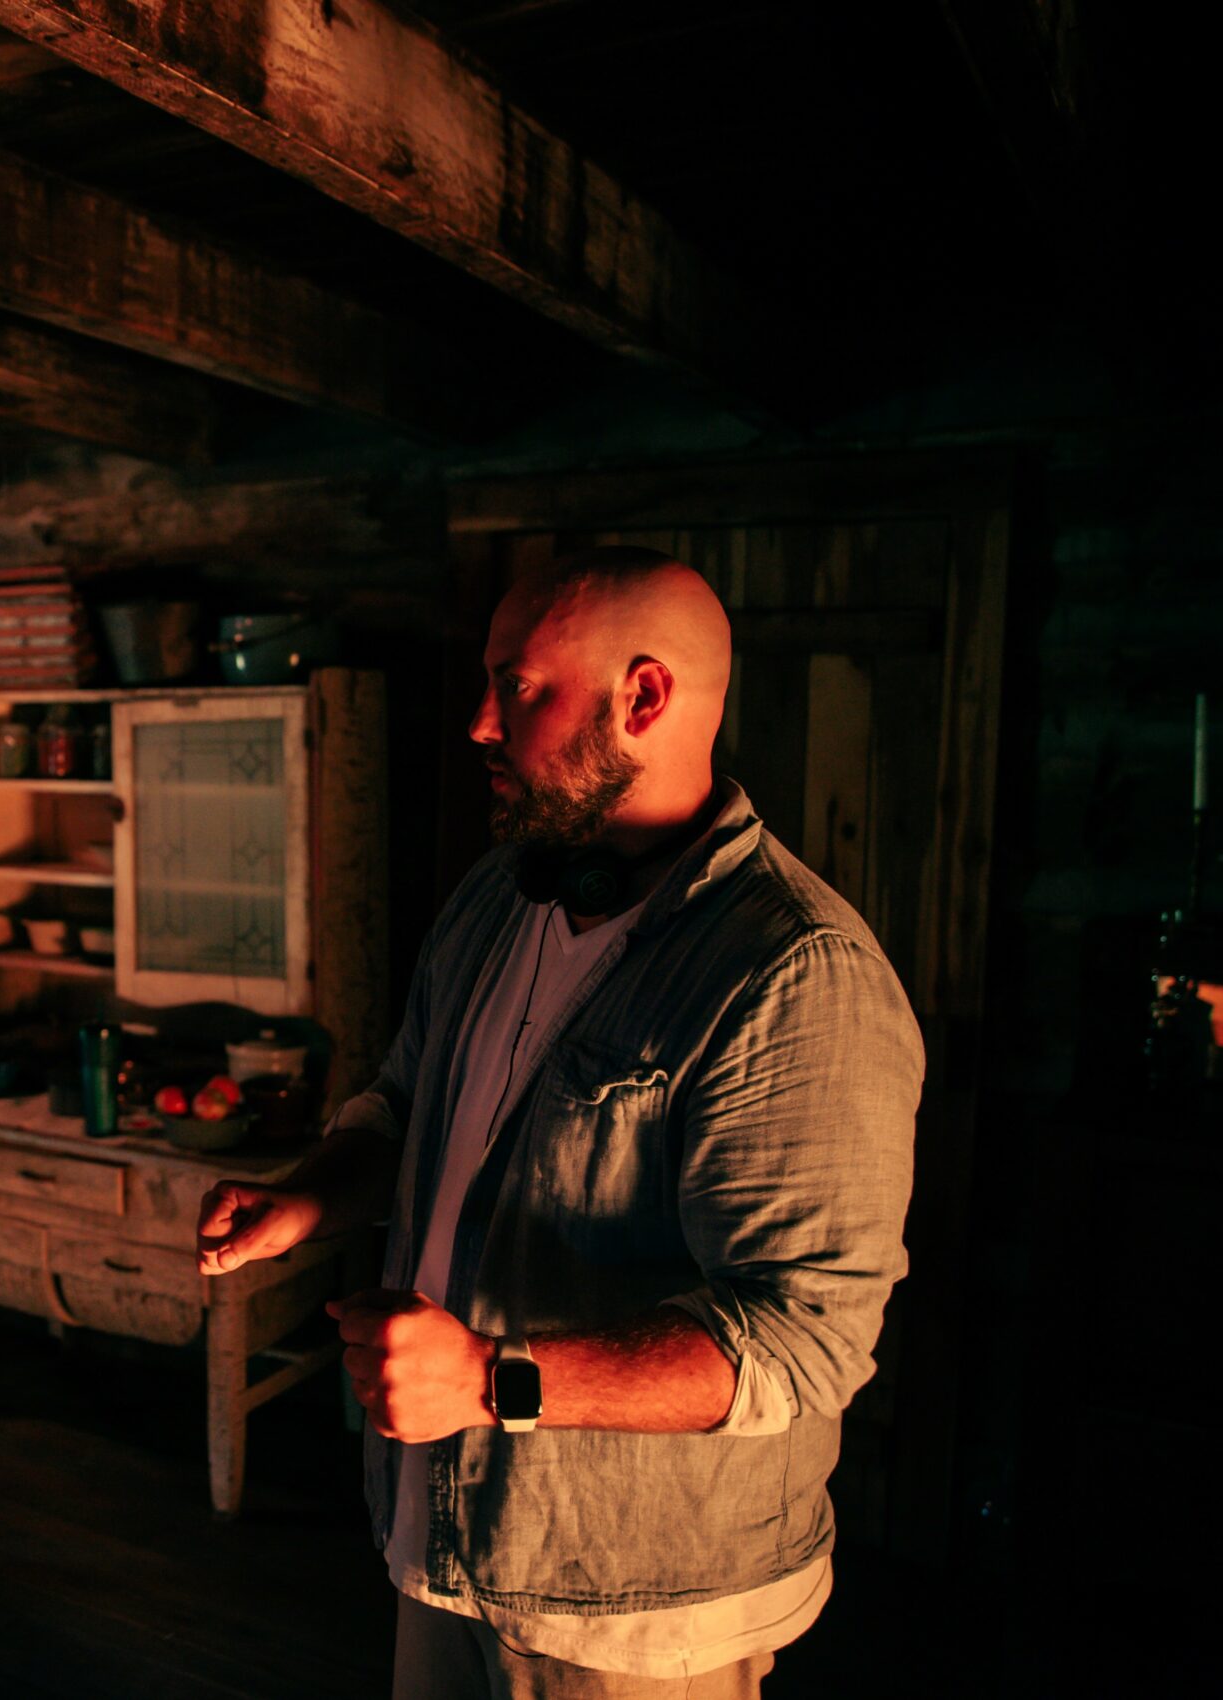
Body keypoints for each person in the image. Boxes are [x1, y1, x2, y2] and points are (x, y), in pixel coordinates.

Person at [197, 548, 921, 1699]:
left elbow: (803, 1338)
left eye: (517, 685)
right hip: (441, 1538)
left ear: (644, 696)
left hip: (636, 1607)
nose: (479, 723)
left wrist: (491, 1379)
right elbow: (407, 1102)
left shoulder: (794, 971)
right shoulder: (500, 893)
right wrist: (313, 1193)